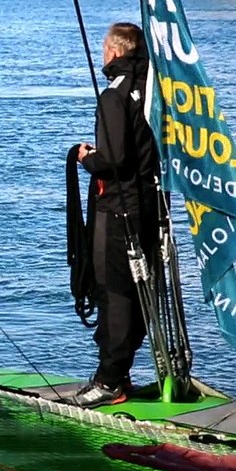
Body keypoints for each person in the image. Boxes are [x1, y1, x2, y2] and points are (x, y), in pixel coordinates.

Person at [68, 22, 161, 409]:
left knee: (114, 291)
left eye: (106, 48)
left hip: (118, 208)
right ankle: (120, 372)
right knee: (140, 291)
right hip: (150, 206)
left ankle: (109, 379)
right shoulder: (155, 91)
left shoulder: (114, 95)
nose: (103, 55)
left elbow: (114, 160)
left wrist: (86, 157)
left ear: (116, 52)